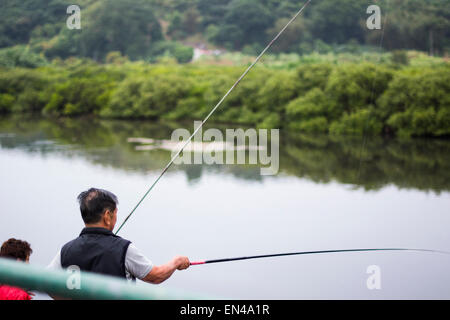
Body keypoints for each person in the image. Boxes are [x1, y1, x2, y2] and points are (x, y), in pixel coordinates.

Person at [47, 188, 190, 289]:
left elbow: (47, 282)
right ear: (107, 216)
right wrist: (176, 262)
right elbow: (155, 276)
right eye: (115, 213)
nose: (116, 218)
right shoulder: (124, 249)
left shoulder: (65, 251)